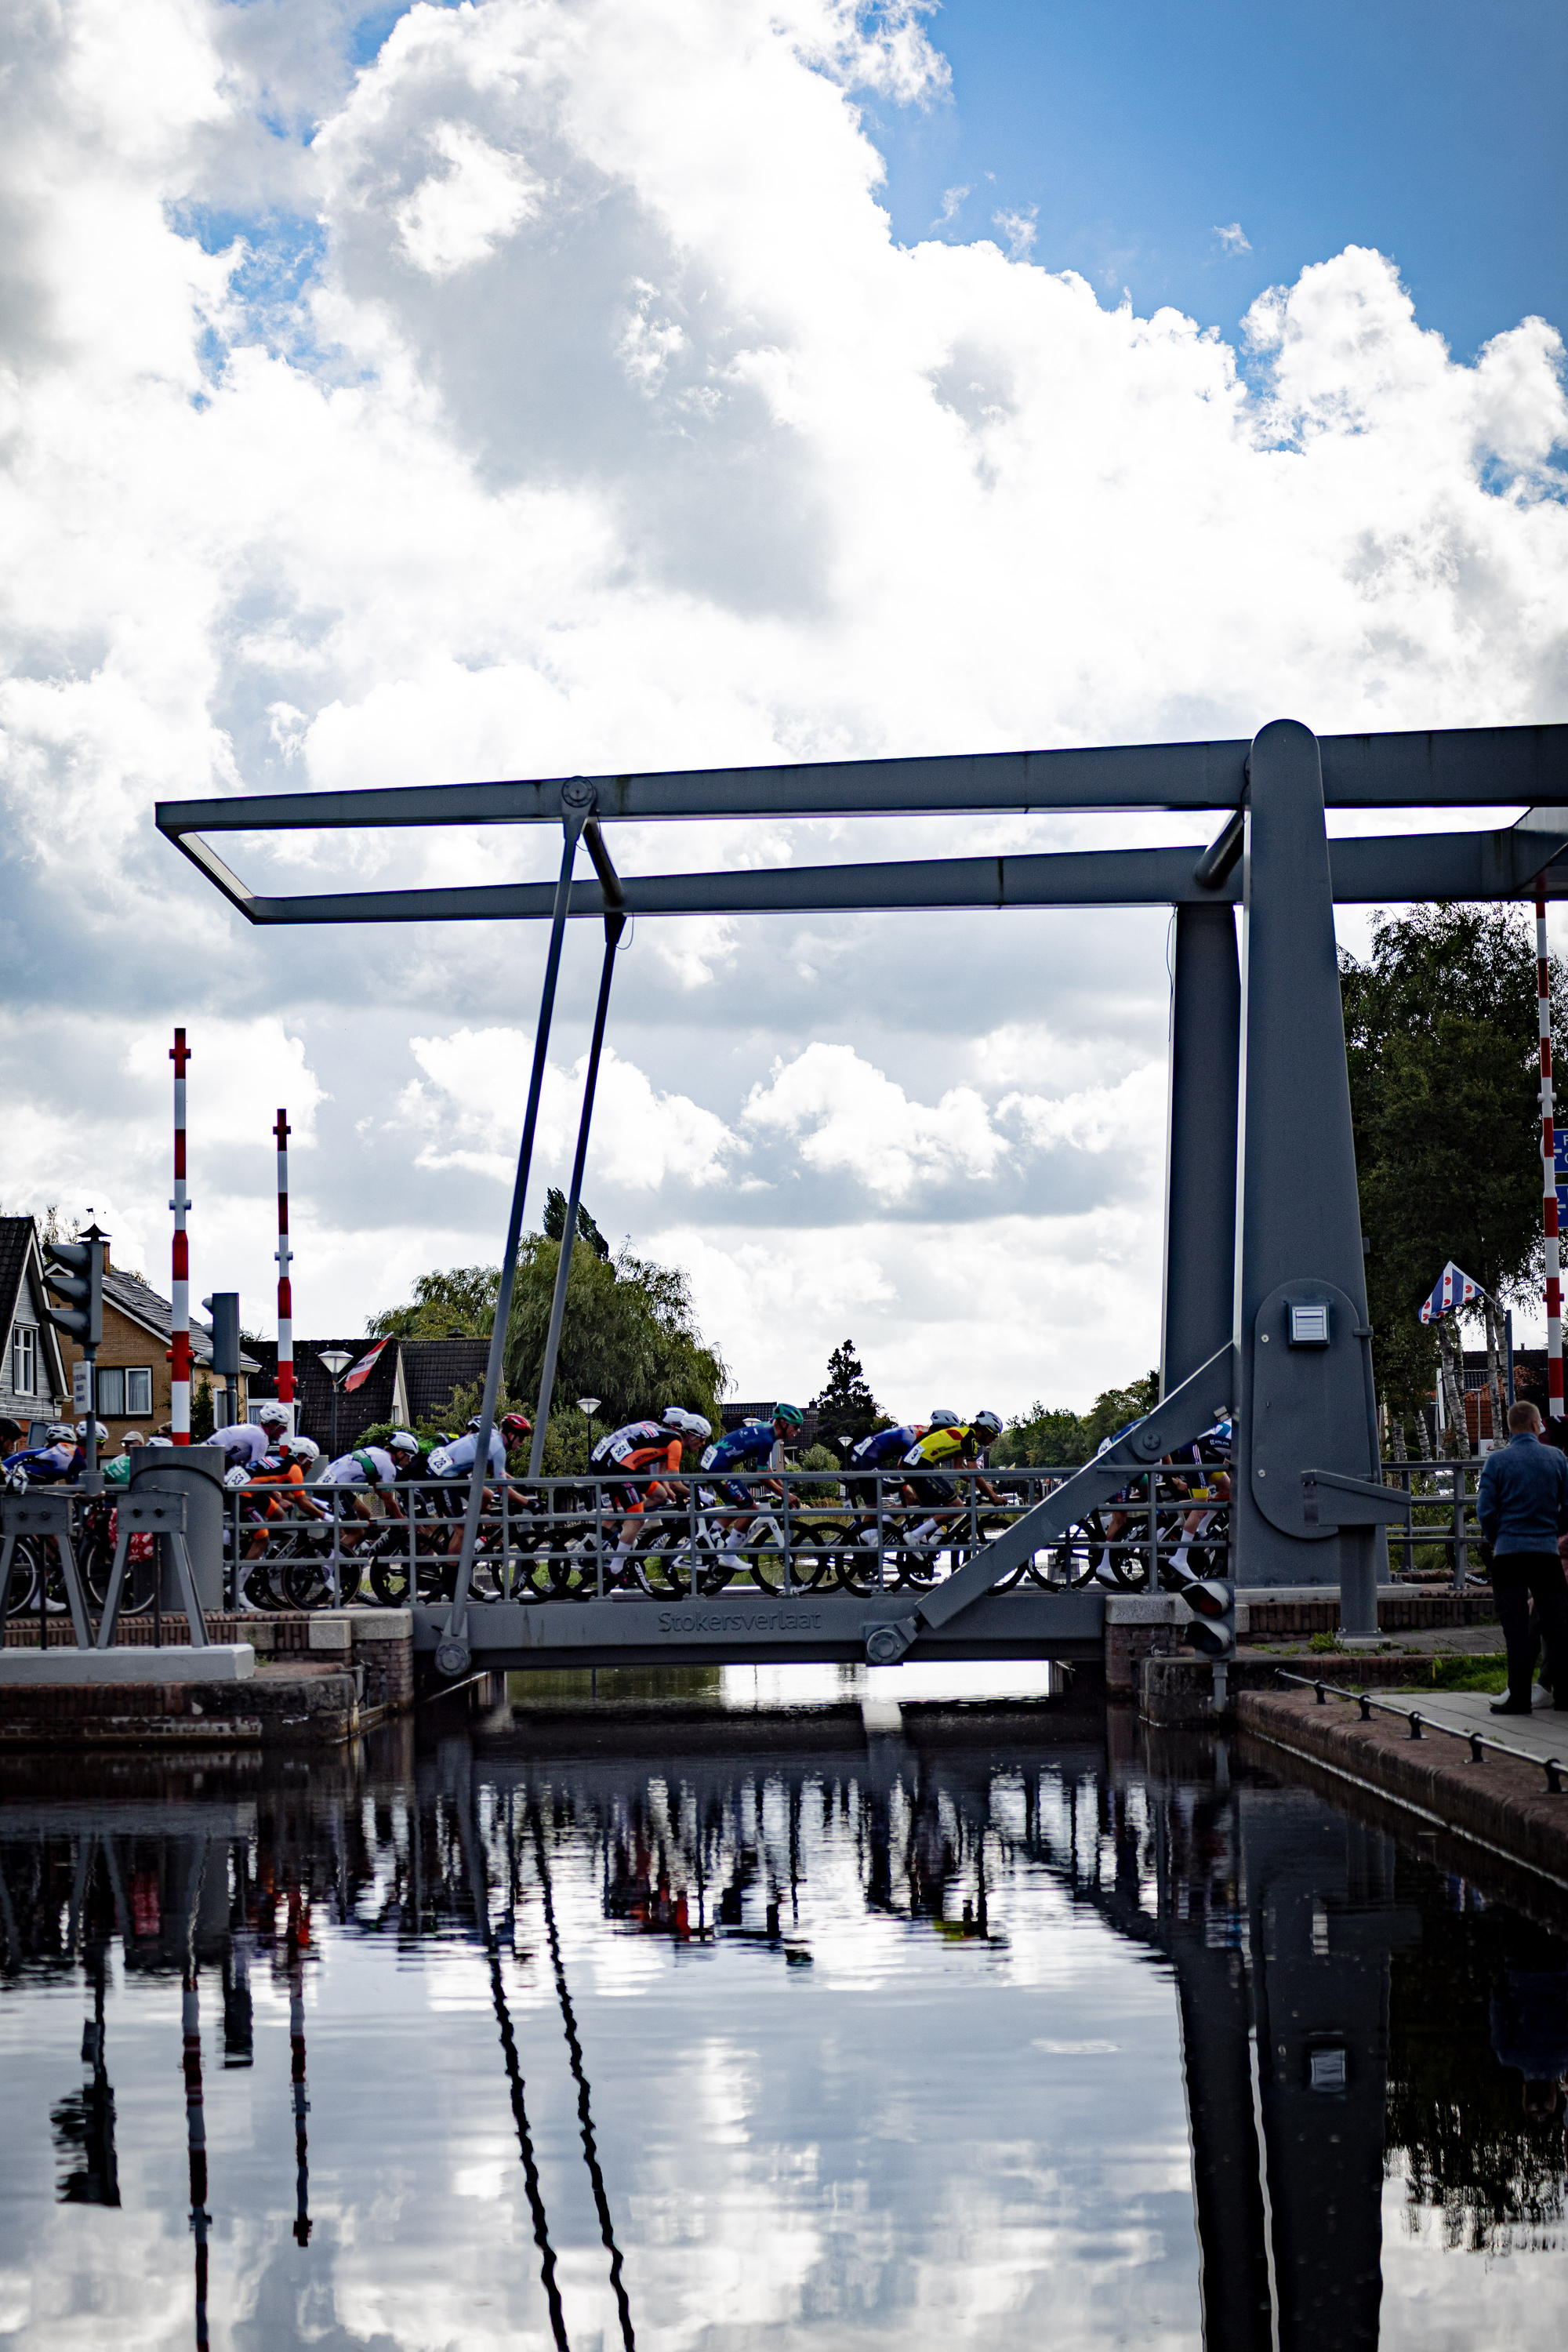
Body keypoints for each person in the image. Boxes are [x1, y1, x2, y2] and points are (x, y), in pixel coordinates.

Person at [1475, 1400, 1568, 1715]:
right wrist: (1554, 1529)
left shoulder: (1497, 1462)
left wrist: (1497, 1536)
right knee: (1557, 1623)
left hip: (1509, 1554)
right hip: (1546, 1553)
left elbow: (1484, 1510)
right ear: (1534, 1424)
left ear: (1511, 1427)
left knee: (1515, 1626)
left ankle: (1518, 1698)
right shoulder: (1556, 1458)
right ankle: (1565, 1695)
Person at [590, 1407, 711, 1580]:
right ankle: (616, 1569)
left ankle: (628, 1520)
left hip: (627, 1466)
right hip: (621, 1469)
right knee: (638, 1519)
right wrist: (698, 1494)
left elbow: (663, 1478)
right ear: (692, 1435)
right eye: (702, 1439)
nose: (703, 1444)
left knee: (660, 1495)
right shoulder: (675, 1444)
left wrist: (677, 1494)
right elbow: (675, 1483)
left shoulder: (669, 1438)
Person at [697, 1406, 804, 1572]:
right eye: (796, 1426)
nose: (798, 1430)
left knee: (735, 1507)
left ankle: (711, 1537)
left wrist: (785, 1491)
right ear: (784, 1423)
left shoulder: (767, 1431)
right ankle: (729, 1556)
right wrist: (784, 1495)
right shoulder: (767, 1439)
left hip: (715, 1464)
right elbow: (761, 1475)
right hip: (719, 1468)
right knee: (750, 1508)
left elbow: (767, 1470)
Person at [900, 1413, 1006, 1550]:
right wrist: (993, 1497)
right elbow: (975, 1473)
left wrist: (987, 1488)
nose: (994, 1440)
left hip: (913, 1465)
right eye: (994, 1435)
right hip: (921, 1466)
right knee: (957, 1507)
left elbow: (959, 1469)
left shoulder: (964, 1435)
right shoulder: (970, 1439)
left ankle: (926, 1553)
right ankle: (914, 1536)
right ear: (985, 1431)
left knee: (936, 1516)